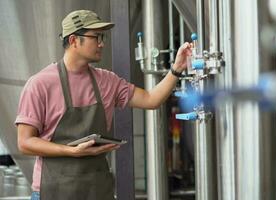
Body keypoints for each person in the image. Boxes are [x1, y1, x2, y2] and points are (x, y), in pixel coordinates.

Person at [15, 10, 191, 200]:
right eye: (96, 37)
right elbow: (25, 143)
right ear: (74, 40)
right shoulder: (40, 84)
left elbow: (151, 99)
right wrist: (71, 151)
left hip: (98, 191)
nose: (102, 43)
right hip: (52, 192)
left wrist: (177, 68)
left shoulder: (107, 81)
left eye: (103, 36)